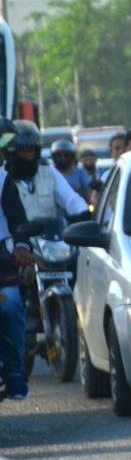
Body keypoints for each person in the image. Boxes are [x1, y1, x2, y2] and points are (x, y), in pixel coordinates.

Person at [0, 144, 35, 401]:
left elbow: (18, 221)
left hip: (2, 261)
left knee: (11, 304)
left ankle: (14, 372)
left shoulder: (2, 180)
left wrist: (22, 245)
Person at [4, 122, 91, 223]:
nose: (27, 155)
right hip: (13, 232)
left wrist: (83, 214)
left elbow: (73, 201)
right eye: (22, 150)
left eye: (30, 150)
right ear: (12, 152)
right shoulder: (3, 178)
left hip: (49, 232)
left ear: (36, 151)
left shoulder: (50, 173)